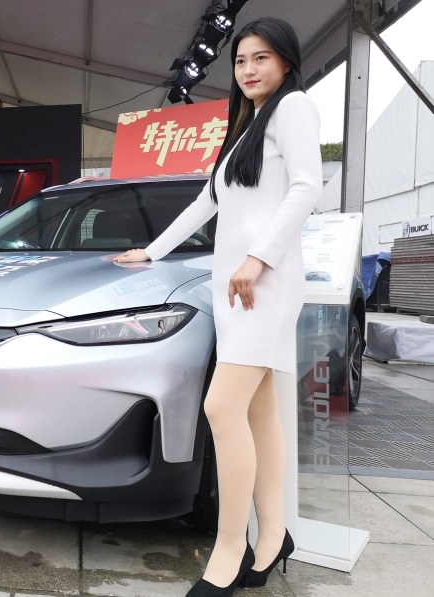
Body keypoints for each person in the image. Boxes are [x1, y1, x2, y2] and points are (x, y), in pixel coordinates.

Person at [115, 16, 322, 597]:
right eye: (240, 60)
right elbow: (206, 203)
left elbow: (308, 186)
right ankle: (273, 535)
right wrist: (152, 251)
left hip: (263, 285)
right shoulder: (247, 125)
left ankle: (231, 548)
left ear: (286, 61)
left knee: (221, 407)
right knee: (257, 413)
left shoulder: (294, 108)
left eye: (261, 57)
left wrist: (258, 258)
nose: (248, 69)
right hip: (232, 289)